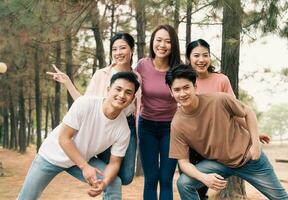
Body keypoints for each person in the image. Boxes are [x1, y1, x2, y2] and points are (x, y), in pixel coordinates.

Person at [165, 64, 288, 200]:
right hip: (219, 164)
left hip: (249, 157)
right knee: (184, 183)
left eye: (186, 88)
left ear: (195, 87)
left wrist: (255, 145)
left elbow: (248, 112)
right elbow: (183, 162)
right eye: (177, 90)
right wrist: (204, 177)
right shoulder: (177, 124)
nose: (183, 94)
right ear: (171, 92)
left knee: (282, 198)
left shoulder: (219, 99)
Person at [17, 72, 140, 200]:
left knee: (113, 182)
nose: (121, 95)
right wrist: (85, 167)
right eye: (118, 89)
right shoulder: (85, 104)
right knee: (26, 198)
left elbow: (114, 163)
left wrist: (104, 182)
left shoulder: (123, 130)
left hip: (81, 159)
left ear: (132, 99)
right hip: (52, 156)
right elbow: (64, 138)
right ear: (108, 90)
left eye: (128, 92)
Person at [47, 32, 139, 185]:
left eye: (122, 48)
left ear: (132, 50)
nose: (118, 53)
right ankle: (79, 163)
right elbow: (84, 101)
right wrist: (68, 83)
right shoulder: (101, 74)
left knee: (127, 176)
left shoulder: (137, 77)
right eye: (114, 49)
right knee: (106, 174)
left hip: (125, 125)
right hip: (102, 125)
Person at [186, 38, 270, 199]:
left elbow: (236, 113)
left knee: (210, 186)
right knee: (193, 186)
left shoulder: (221, 80)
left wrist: (254, 134)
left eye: (205, 55)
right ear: (189, 58)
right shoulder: (186, 82)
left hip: (216, 145)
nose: (201, 60)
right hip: (193, 144)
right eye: (196, 55)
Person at [136, 24, 181, 200]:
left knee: (166, 179)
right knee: (151, 179)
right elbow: (128, 85)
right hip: (146, 126)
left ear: (173, 45)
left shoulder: (179, 68)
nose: (162, 45)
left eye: (168, 41)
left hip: (171, 128)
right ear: (152, 42)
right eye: (159, 40)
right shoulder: (142, 65)